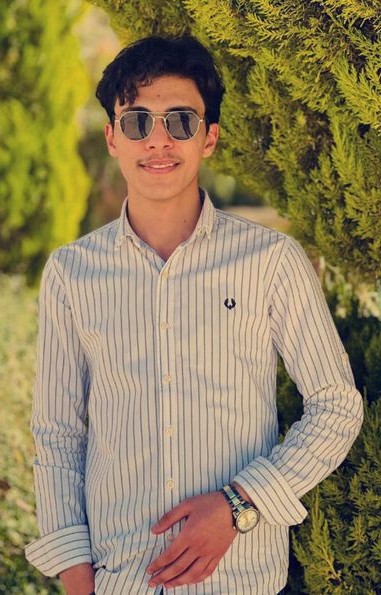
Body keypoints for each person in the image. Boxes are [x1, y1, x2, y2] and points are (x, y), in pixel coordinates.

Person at [24, 35, 363, 594]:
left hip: (242, 580)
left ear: (209, 138)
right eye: (137, 122)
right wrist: (77, 579)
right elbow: (58, 435)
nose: (158, 140)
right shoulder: (70, 273)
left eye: (180, 121)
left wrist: (239, 504)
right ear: (112, 137)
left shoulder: (270, 261)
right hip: (120, 582)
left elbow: (336, 406)